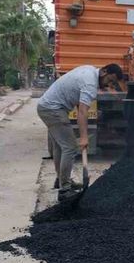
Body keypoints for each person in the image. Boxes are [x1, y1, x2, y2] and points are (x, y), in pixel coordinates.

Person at [37, 63, 125, 201]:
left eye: (112, 83)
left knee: (60, 146)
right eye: (109, 80)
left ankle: (61, 180)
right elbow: (83, 112)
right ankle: (65, 190)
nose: (109, 85)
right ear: (104, 71)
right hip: (53, 109)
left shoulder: (89, 70)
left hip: (47, 106)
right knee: (70, 148)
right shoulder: (90, 84)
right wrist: (84, 137)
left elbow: (79, 102)